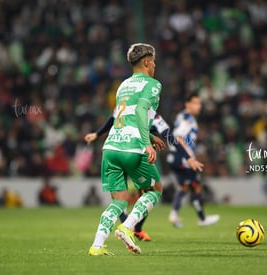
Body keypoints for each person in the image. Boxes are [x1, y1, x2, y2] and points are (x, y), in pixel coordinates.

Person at [88, 43, 163, 256]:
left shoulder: (123, 86)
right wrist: (146, 142)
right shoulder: (153, 84)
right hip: (133, 148)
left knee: (119, 202)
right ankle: (127, 227)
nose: (155, 65)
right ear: (147, 62)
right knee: (155, 190)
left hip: (111, 147)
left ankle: (96, 245)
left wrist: (150, 135)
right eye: (154, 61)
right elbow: (140, 110)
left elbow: (122, 118)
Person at [84, 113, 204, 241]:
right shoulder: (147, 110)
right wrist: (188, 157)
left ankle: (132, 228)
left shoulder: (138, 109)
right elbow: (114, 118)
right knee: (148, 191)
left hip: (121, 151)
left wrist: (97, 134)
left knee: (136, 194)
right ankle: (130, 227)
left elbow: (114, 117)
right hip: (135, 153)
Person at [167, 93, 220, 228]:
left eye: (199, 103)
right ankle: (202, 219)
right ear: (187, 104)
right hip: (183, 158)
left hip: (174, 157)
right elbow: (178, 137)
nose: (199, 106)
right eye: (195, 103)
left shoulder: (181, 115)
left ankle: (174, 214)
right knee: (196, 187)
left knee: (184, 187)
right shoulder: (188, 119)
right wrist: (189, 157)